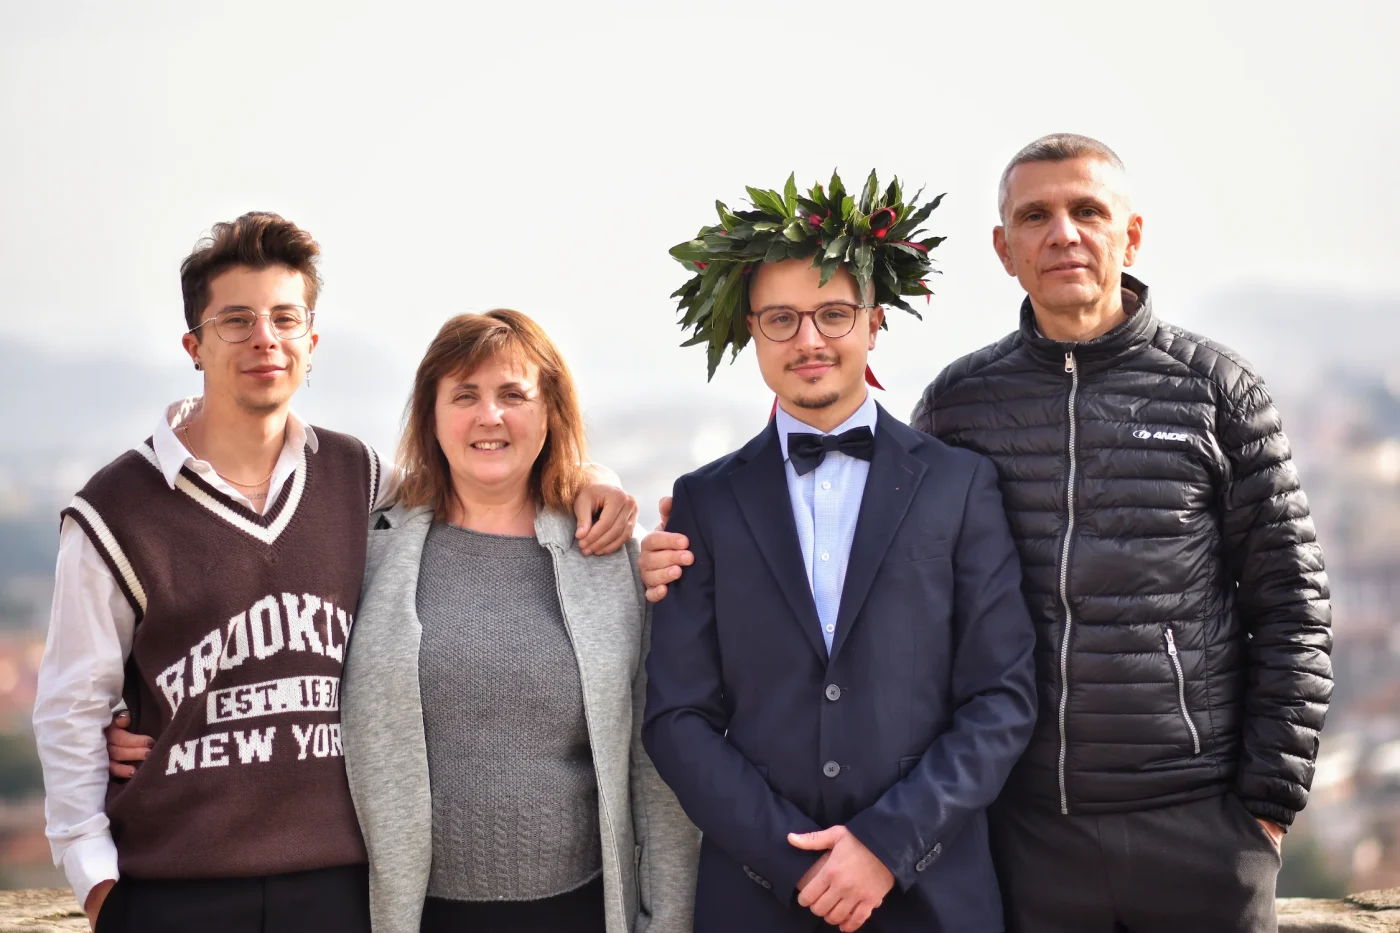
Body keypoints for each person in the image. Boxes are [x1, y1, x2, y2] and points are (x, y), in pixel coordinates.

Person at [640, 136, 1335, 933]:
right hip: (1024, 840)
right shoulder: (958, 406)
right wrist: (642, 546)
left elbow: (1293, 602)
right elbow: (691, 705)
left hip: (1189, 822)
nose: (1063, 234)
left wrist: (1265, 808)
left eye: (1087, 211)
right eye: (1035, 216)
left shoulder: (1217, 391)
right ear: (1004, 248)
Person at [35, 212, 636, 933]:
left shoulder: (357, 479)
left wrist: (589, 478)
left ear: (311, 344)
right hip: (175, 887)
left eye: (285, 319)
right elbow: (71, 708)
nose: (265, 339)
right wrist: (99, 885)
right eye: (236, 321)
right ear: (194, 345)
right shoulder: (115, 509)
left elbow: (489, 472)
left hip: (338, 890)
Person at [641, 171, 1038, 933]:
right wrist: (796, 861)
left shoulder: (960, 485)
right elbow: (677, 716)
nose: (809, 340)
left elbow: (1002, 696)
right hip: (759, 899)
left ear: (874, 322)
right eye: (781, 319)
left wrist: (886, 845)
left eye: (832, 313)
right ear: (751, 331)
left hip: (933, 897)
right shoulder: (703, 501)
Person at [338, 309, 698, 933]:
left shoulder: (614, 558)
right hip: (412, 915)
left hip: (577, 911)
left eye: (513, 395)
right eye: (465, 395)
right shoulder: (369, 549)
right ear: (431, 414)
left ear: (550, 411)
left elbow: (655, 768)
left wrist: (665, 920)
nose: (490, 416)